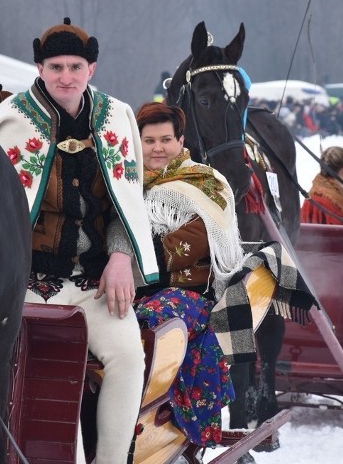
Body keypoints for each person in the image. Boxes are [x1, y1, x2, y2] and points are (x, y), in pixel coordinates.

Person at [0, 17, 159, 464]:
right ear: (38, 67)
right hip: (22, 284)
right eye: (55, 66)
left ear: (92, 69)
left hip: (92, 284)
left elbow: (126, 203)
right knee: (43, 372)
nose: (66, 77)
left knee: (128, 358)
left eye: (75, 67)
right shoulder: (6, 123)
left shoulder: (117, 119)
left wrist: (121, 257)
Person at [134, 101, 242, 448]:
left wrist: (131, 262)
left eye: (166, 139)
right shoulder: (127, 183)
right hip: (138, 284)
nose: (158, 148)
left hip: (190, 293)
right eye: (149, 141)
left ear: (181, 141)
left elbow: (185, 247)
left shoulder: (205, 183)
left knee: (145, 321)